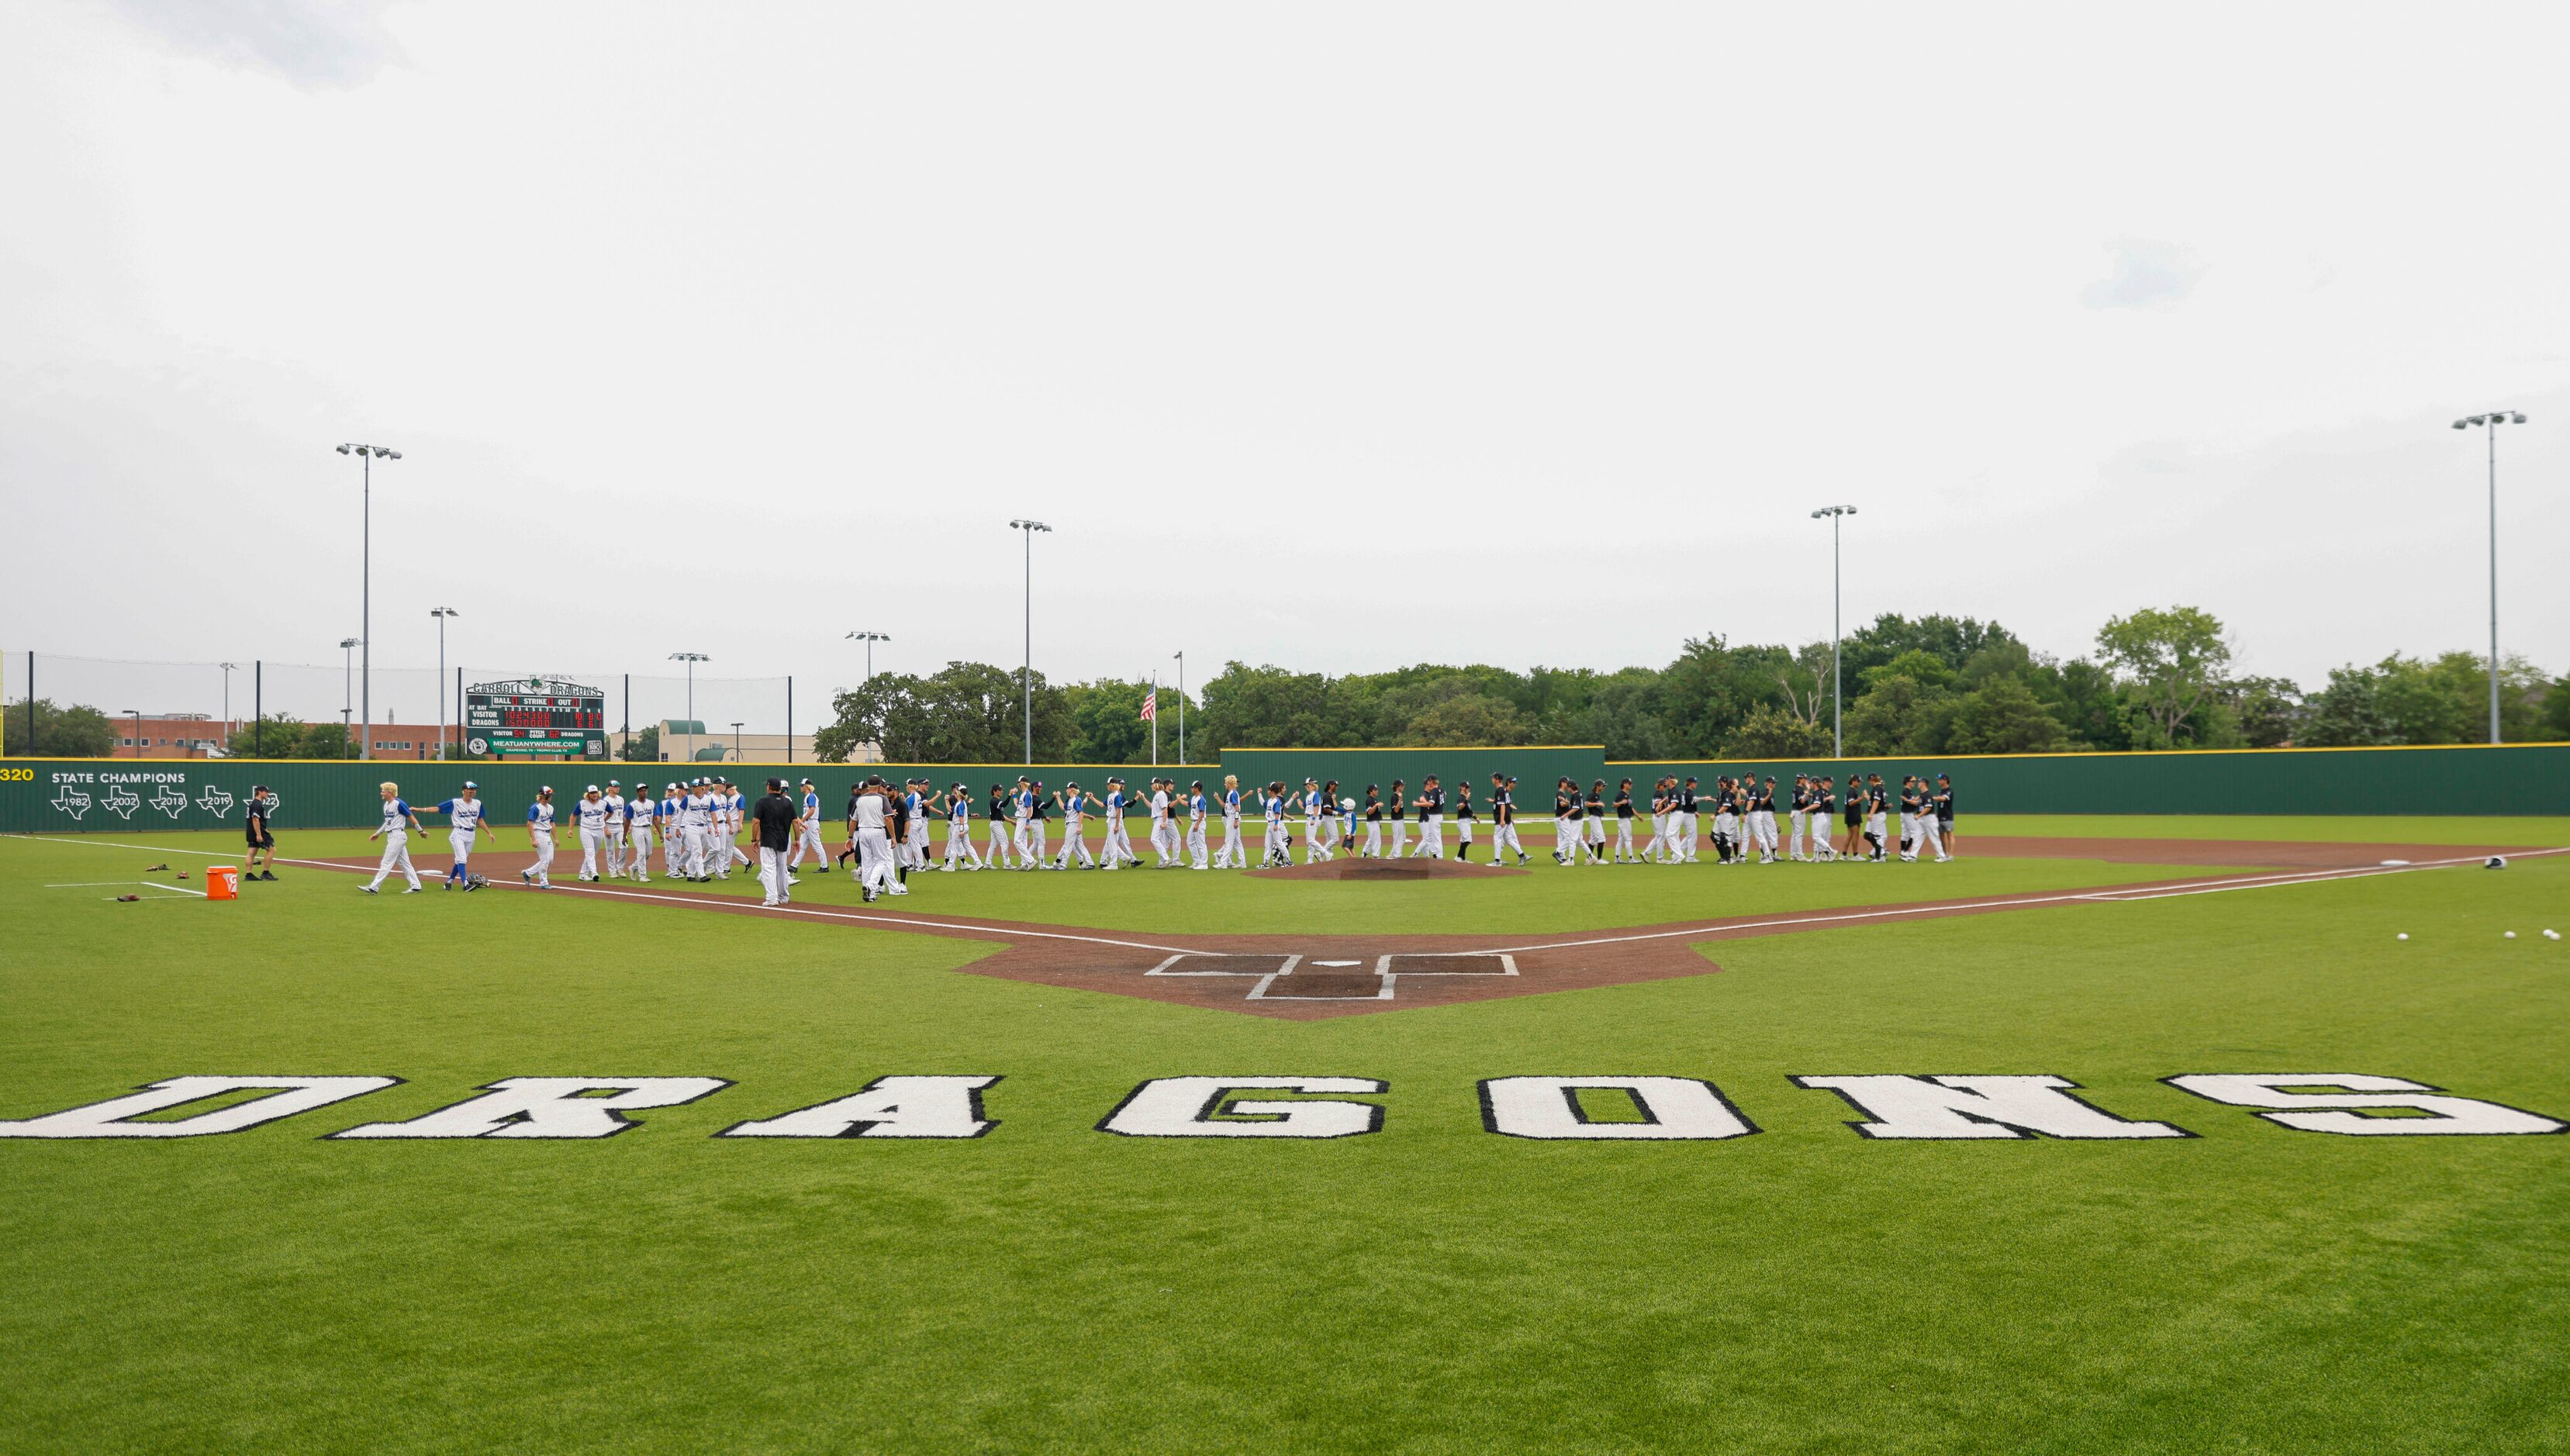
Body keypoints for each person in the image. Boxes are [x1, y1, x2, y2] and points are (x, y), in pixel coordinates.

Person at [361, 781, 426, 893]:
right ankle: (416, 886)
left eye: (383, 791)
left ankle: (374, 887)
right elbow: (388, 822)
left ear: (389, 792)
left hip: (398, 835)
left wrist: (421, 831)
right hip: (392, 835)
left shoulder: (399, 803)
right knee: (405, 863)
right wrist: (378, 833)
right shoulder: (387, 805)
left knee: (386, 862)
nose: (381, 793)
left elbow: (411, 817)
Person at [850, 775, 903, 901]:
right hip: (877, 831)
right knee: (882, 861)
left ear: (868, 786)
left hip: (863, 831)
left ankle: (871, 894)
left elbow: (853, 820)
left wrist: (849, 837)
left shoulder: (860, 799)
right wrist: (894, 837)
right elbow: (888, 818)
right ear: (879, 786)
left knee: (867, 864)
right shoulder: (882, 799)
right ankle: (870, 886)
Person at [751, 777, 803, 907]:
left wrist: (754, 839)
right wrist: (797, 839)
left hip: (768, 840)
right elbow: (796, 822)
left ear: (768, 787)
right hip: (783, 839)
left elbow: (756, 821)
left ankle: (772, 897)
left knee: (768, 868)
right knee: (781, 869)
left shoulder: (762, 802)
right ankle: (783, 896)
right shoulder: (787, 802)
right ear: (780, 788)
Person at [430, 781, 489, 889]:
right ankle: (465, 884)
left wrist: (489, 833)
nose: (473, 791)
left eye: (474, 790)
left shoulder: (478, 803)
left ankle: (449, 882)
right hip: (458, 832)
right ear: (464, 791)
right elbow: (438, 808)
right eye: (470, 789)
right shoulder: (456, 802)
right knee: (462, 859)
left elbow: (480, 819)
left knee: (460, 861)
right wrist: (421, 810)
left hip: (471, 834)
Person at [520, 785, 560, 888]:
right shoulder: (535, 808)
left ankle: (528, 873)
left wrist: (555, 838)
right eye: (548, 795)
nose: (550, 797)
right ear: (542, 796)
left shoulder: (551, 808)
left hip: (547, 834)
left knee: (549, 860)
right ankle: (544, 883)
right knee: (545, 859)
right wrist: (533, 839)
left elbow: (552, 823)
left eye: (551, 795)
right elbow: (530, 823)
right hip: (538, 833)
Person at [1055, 781, 1100, 869]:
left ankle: (1063, 865)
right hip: (1071, 825)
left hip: (1074, 825)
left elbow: (1080, 813)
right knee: (1080, 846)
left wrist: (1079, 826)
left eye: (1067, 788)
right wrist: (1058, 797)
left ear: (1071, 789)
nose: (1066, 790)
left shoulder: (1076, 800)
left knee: (1068, 845)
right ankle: (1090, 863)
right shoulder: (1071, 800)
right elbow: (1062, 807)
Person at [788, 779, 826, 874]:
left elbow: (812, 810)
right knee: (802, 845)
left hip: (811, 823)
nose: (801, 787)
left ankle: (824, 866)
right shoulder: (809, 797)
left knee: (817, 845)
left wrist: (803, 821)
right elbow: (817, 812)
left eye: (802, 785)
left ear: (807, 787)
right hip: (810, 823)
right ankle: (794, 866)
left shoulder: (811, 796)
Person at [943, 781, 983, 871]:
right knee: (968, 846)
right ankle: (978, 862)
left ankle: (950, 866)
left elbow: (961, 817)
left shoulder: (960, 804)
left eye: (957, 792)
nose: (956, 793)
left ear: (959, 793)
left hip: (959, 826)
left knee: (953, 845)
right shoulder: (961, 803)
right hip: (965, 826)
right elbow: (950, 809)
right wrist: (946, 801)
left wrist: (961, 830)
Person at [243, 783, 278, 881]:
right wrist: (259, 834)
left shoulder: (253, 803)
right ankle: (266, 873)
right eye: (266, 792)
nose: (268, 794)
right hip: (258, 832)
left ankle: (249, 875)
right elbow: (255, 819)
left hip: (251, 831)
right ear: (259, 792)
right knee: (272, 849)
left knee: (251, 852)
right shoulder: (257, 804)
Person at [1212, 775, 1246, 868]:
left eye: (1226, 782)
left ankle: (1223, 863)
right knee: (1237, 842)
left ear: (1230, 783)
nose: (1225, 784)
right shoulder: (1231, 793)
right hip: (1232, 818)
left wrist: (1235, 821)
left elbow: (1237, 808)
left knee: (1228, 841)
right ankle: (1242, 862)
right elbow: (1226, 806)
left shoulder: (1232, 794)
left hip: (1232, 818)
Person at [623, 785, 655, 883]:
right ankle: (642, 876)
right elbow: (627, 820)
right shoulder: (632, 805)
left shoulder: (651, 803)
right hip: (637, 829)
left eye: (645, 790)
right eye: (641, 791)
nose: (644, 792)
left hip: (648, 828)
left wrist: (661, 833)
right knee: (641, 853)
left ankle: (633, 868)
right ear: (638, 792)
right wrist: (624, 835)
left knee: (648, 853)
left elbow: (656, 818)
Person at [1409, 775, 1445, 859]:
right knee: (1428, 837)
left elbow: (1431, 804)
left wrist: (1418, 804)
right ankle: (1417, 855)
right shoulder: (1442, 790)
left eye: (1429, 781)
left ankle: (1439, 857)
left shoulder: (1434, 791)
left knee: (1436, 838)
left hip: (1434, 817)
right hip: (1438, 815)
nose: (1428, 783)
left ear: (1431, 781)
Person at [984, 782, 1016, 869]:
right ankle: (1007, 864)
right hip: (996, 824)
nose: (1001, 791)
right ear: (994, 791)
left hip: (996, 823)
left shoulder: (997, 801)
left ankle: (987, 863)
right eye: (999, 790)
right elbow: (1004, 804)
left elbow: (1001, 815)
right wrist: (1010, 795)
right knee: (1005, 843)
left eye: (1002, 790)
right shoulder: (994, 801)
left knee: (993, 844)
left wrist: (1011, 821)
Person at [603, 780, 627, 878]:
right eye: (615, 787)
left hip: (620, 825)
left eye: (618, 786)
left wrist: (627, 827)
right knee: (610, 850)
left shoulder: (621, 799)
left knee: (625, 846)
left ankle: (620, 867)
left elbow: (624, 814)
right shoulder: (605, 800)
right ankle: (612, 871)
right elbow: (602, 816)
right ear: (610, 788)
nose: (617, 788)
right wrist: (605, 828)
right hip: (609, 825)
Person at [1185, 781, 1211, 869]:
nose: (1192, 789)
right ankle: (1197, 862)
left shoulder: (1201, 799)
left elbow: (1202, 812)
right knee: (1190, 842)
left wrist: (1197, 824)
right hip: (1194, 822)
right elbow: (1187, 804)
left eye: (1193, 787)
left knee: (1201, 844)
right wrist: (1179, 799)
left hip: (1199, 822)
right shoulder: (1193, 798)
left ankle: (1204, 864)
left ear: (1197, 788)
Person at [1611, 778, 1638, 863]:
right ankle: (1631, 858)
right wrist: (1621, 803)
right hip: (1624, 819)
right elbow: (1614, 805)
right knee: (1628, 839)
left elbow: (1630, 807)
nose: (1631, 785)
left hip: (1626, 818)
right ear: (1624, 784)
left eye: (1631, 783)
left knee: (1621, 839)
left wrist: (1638, 816)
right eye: (1629, 783)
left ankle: (1617, 858)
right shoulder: (1620, 794)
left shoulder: (1627, 794)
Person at [1935, 774, 1957, 858]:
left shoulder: (1949, 791)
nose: (1938, 781)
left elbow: (1943, 799)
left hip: (1948, 816)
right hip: (1940, 816)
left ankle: (1951, 855)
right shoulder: (1941, 791)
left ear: (1945, 780)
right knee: (1941, 836)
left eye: (1940, 780)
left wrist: (1932, 797)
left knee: (1950, 835)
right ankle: (1944, 854)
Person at [1454, 781, 1477, 863]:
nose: (1468, 789)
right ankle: (1458, 857)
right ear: (1462, 788)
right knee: (1468, 840)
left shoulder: (1466, 799)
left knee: (1464, 840)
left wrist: (1475, 817)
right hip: (1463, 821)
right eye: (1466, 787)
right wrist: (1466, 799)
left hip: (1466, 821)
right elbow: (1460, 808)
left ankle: (1462, 858)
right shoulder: (1461, 798)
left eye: (1468, 787)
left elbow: (1468, 811)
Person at [1387, 780, 1409, 858]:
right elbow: (1396, 810)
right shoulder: (1394, 797)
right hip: (1396, 820)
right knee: (1398, 838)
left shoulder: (1398, 796)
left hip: (1400, 819)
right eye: (1402, 785)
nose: (1403, 787)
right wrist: (1400, 799)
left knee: (1402, 838)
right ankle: (1397, 855)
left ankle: (1393, 853)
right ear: (1397, 787)